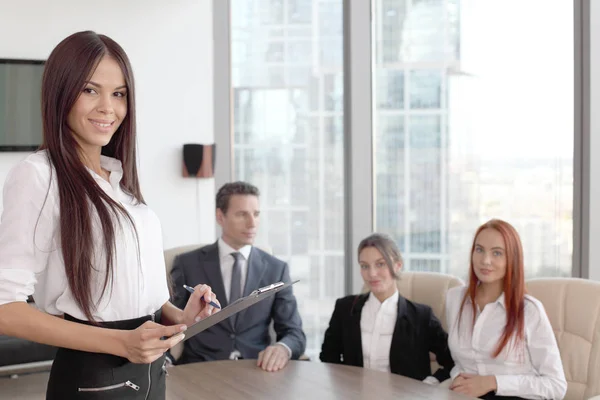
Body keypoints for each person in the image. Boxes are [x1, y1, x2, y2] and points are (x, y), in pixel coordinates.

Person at [0, 31, 220, 399]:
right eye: (90, 90)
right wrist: (121, 343)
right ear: (60, 93)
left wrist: (177, 316)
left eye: (119, 94)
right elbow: (5, 307)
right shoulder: (38, 175)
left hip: (150, 372)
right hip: (94, 379)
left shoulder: (118, 179)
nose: (108, 107)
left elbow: (124, 292)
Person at [170, 182, 306, 372]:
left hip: (256, 370)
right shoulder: (187, 264)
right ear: (220, 216)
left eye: (256, 214)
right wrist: (164, 361)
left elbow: (294, 333)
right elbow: (168, 321)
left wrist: (283, 348)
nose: (252, 223)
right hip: (200, 369)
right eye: (242, 214)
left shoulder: (277, 269)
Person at [445, 219, 567, 399]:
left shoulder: (529, 310)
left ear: (512, 259)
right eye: (479, 250)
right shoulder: (455, 299)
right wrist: (458, 378)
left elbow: (556, 386)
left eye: (497, 253)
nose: (486, 261)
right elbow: (459, 363)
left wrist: (492, 382)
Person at [320, 233, 454, 383]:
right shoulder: (344, 309)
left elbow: (453, 361)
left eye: (380, 264)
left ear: (397, 265)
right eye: (365, 266)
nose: (372, 274)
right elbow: (328, 358)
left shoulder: (421, 317)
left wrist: (429, 385)